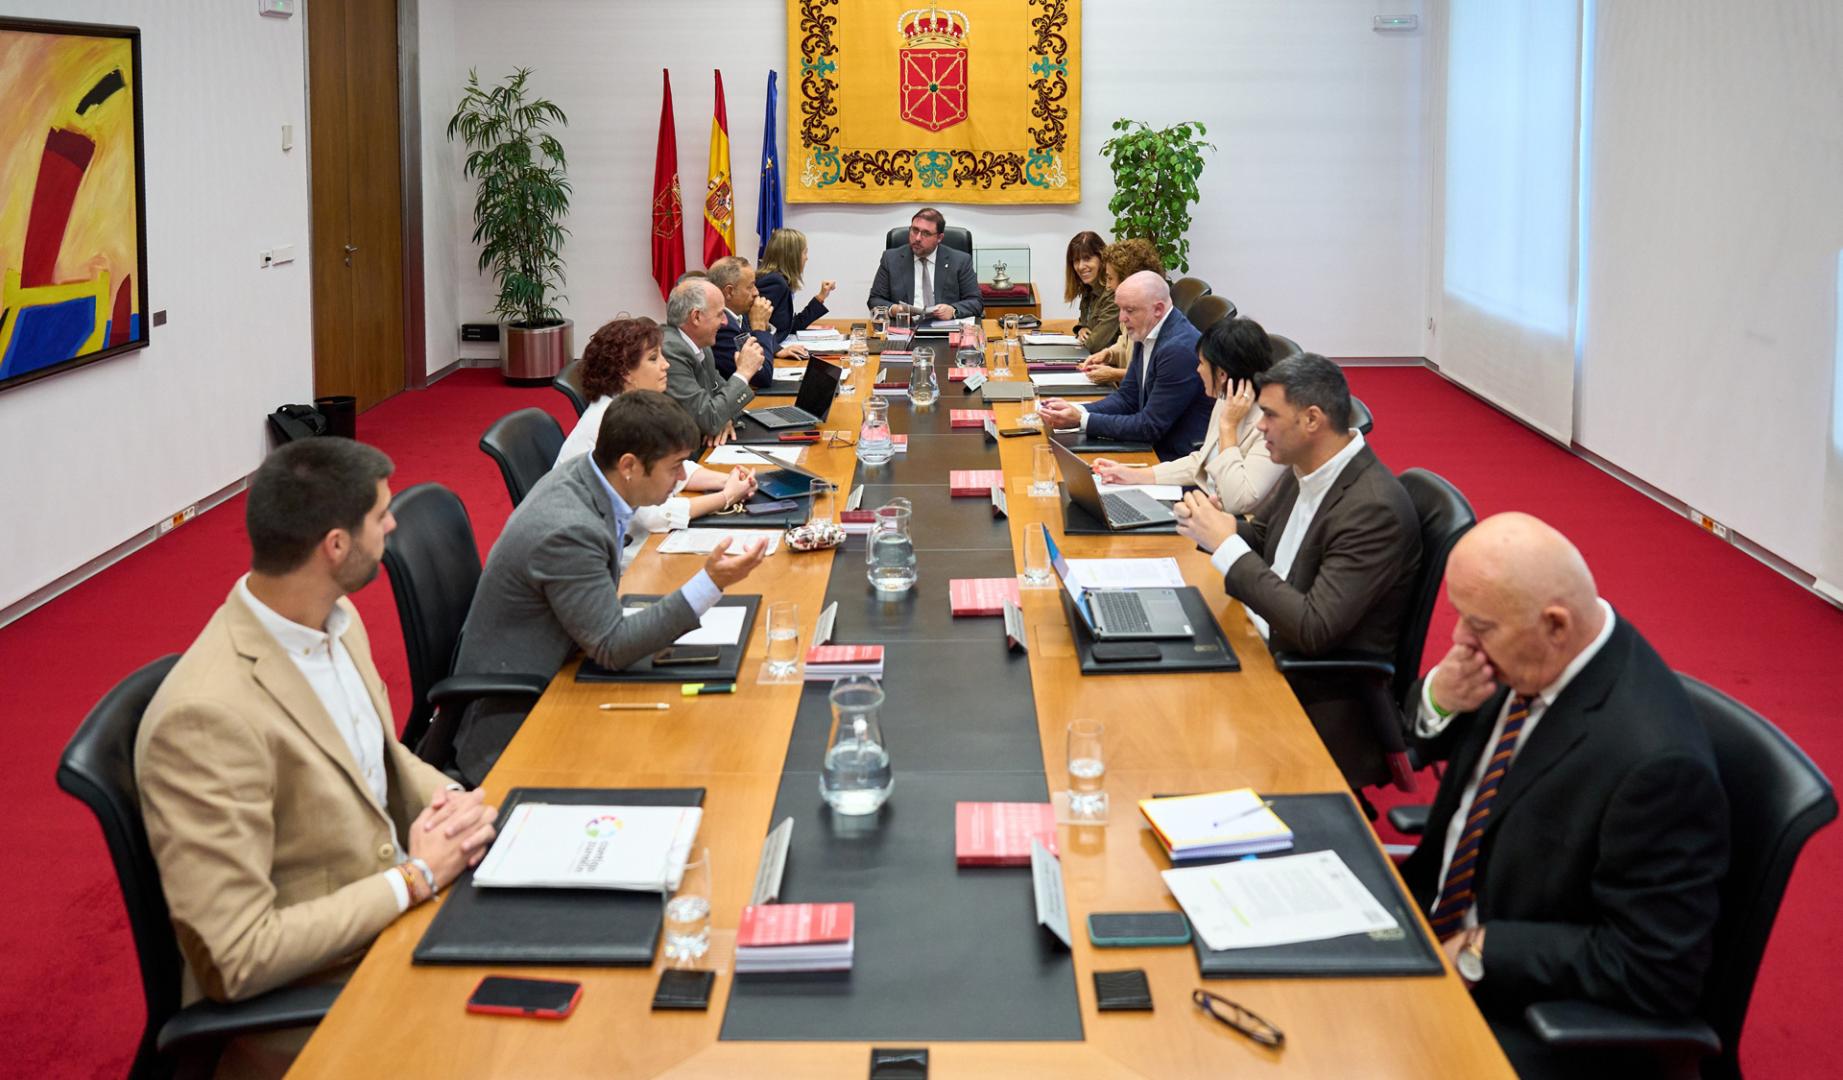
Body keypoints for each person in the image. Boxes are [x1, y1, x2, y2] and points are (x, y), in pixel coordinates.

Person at [136, 438, 497, 1077]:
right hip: (321, 1007)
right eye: (380, 516)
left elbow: (381, 758)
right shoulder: (205, 717)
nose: (393, 526)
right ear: (335, 546)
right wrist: (414, 879)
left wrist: (450, 800)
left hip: (395, 928)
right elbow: (237, 956)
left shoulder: (336, 619)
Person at [1400, 512, 1729, 1078]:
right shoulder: (1528, 657)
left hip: (1516, 1009)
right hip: (1419, 921)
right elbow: (1430, 743)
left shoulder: (1656, 765)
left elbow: (1656, 970)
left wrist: (1483, 949)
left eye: (1479, 626)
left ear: (1555, 624)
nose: (1459, 640)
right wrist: (1440, 700)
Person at [452, 391, 769, 781]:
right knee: (694, 756)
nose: (680, 479)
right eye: (674, 468)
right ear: (629, 465)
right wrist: (711, 582)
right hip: (520, 724)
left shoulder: (591, 480)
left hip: (568, 661)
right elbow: (612, 646)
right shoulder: (569, 529)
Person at [1172, 352, 1421, 786]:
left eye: (1269, 415)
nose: (1259, 427)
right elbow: (1264, 538)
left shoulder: (1373, 508)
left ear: (1311, 420)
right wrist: (1212, 525)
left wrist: (1226, 545)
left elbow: (1312, 627)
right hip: (1258, 640)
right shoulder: (1309, 465)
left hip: (1312, 692)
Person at [557, 317, 757, 566]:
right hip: (604, 557)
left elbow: (667, 463)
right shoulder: (613, 423)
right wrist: (726, 497)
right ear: (625, 373)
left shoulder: (631, 407)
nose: (666, 365)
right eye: (654, 358)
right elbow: (652, 517)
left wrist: (726, 480)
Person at [1093, 317, 1285, 513]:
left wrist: (1228, 427)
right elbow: (1201, 461)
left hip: (1227, 520)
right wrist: (1133, 475)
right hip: (1202, 502)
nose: (1197, 369)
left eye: (1201, 363)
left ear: (1222, 374)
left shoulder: (1271, 425)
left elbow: (1237, 500)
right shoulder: (1227, 398)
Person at [1035, 271, 1210, 461]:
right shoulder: (1148, 329)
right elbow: (1127, 398)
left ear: (1158, 309)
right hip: (1150, 445)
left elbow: (1149, 427)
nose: (1121, 318)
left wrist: (1081, 420)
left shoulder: (1178, 350)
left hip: (1172, 457)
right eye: (1120, 309)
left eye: (1129, 310)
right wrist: (1078, 410)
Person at [662, 277, 761, 440]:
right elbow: (708, 419)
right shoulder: (670, 352)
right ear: (696, 317)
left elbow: (724, 403)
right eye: (720, 314)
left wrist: (725, 418)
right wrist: (743, 373)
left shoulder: (702, 346)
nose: (725, 322)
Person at [866, 207, 983, 320]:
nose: (917, 238)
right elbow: (875, 300)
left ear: (939, 238)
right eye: (914, 230)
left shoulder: (960, 261)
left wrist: (953, 310)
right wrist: (894, 309)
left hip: (945, 328)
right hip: (905, 327)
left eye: (926, 233)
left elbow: (976, 302)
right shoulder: (891, 259)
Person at [1078, 237, 1166, 387]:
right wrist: (1108, 354)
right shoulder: (1130, 311)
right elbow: (1124, 345)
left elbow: (1152, 376)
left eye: (1110, 278)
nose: (1107, 286)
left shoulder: (1153, 320)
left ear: (1130, 279)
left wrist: (1114, 374)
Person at [708, 255, 805, 389]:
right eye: (750, 287)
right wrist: (760, 328)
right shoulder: (722, 327)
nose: (756, 292)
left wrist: (776, 349)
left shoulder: (739, 314)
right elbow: (761, 378)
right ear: (729, 292)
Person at [757, 227, 837, 340]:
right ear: (792, 256)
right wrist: (779, 349)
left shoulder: (778, 280)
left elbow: (789, 327)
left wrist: (821, 297)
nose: (806, 258)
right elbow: (758, 331)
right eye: (804, 252)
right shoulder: (774, 282)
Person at [1066, 230, 1119, 354]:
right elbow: (1085, 324)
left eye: (1087, 258)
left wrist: (1084, 337)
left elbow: (1094, 345)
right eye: (1076, 260)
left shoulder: (1113, 293)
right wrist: (1081, 329)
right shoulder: (1089, 289)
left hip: (1108, 361)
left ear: (1102, 258)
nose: (1080, 266)